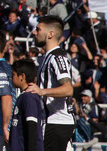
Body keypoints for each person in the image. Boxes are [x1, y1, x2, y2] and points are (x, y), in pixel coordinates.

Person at [26, 15, 75, 151]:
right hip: (51, 122)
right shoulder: (47, 57)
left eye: (38, 29)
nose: (34, 32)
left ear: (50, 34)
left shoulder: (57, 57)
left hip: (58, 122)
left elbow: (68, 89)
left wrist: (41, 91)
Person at [10, 60, 43, 151]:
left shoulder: (29, 97)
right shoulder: (23, 96)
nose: (11, 78)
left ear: (22, 76)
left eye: (13, 75)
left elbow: (31, 126)